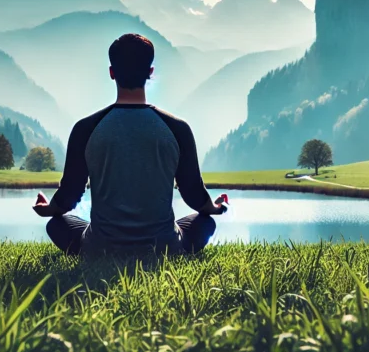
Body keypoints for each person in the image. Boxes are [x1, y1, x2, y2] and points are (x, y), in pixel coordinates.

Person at [32, 33, 228, 257]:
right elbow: (194, 194)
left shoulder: (85, 129)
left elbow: (69, 195)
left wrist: (48, 209)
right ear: (150, 73)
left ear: (112, 73)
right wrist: (216, 207)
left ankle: (98, 250)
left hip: (101, 249)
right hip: (164, 249)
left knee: (55, 224)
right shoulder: (177, 129)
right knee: (206, 223)